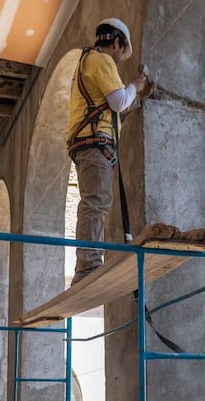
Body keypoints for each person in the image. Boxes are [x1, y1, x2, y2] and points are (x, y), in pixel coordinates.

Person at [66, 17, 155, 285]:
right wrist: (135, 85)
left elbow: (113, 109)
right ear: (116, 43)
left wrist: (137, 97)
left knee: (95, 201)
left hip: (89, 144)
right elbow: (118, 102)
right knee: (96, 202)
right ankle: (88, 267)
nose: (118, 59)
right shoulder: (100, 60)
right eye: (120, 52)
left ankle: (88, 264)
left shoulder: (88, 62)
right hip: (94, 145)